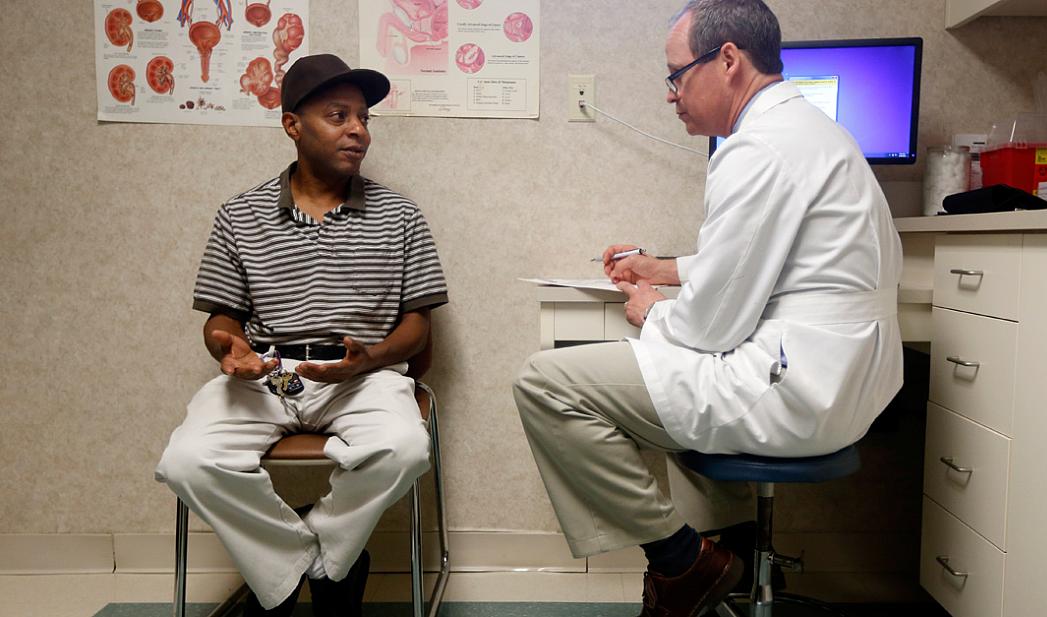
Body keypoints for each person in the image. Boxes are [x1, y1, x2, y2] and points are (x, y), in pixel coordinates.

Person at [512, 1, 903, 615]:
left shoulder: (755, 150)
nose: (671, 94)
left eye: (676, 74)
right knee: (658, 399)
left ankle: (683, 562)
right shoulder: (813, 132)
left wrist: (652, 309)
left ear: (727, 60)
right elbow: (767, 262)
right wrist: (661, 268)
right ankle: (734, 553)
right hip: (846, 385)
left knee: (545, 382)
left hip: (794, 388)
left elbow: (709, 328)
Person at [155, 54, 448, 617]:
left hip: (362, 377)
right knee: (187, 459)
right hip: (270, 375)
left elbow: (418, 326)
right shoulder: (239, 215)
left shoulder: (402, 216)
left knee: (407, 448)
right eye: (338, 116)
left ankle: (310, 567)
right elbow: (220, 317)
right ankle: (302, 570)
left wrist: (369, 360)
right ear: (292, 125)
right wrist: (227, 345)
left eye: (363, 118)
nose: (358, 131)